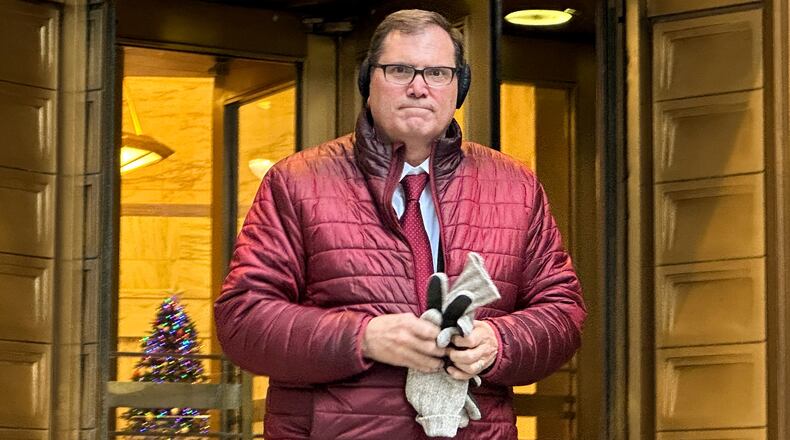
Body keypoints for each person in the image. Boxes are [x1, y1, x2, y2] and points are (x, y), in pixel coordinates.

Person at [214, 9, 586, 439]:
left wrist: (499, 342)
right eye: (400, 70)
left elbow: (563, 313)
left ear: (458, 87)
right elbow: (243, 319)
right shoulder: (296, 182)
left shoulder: (515, 186)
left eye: (437, 73)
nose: (418, 87)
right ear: (367, 81)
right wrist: (363, 337)